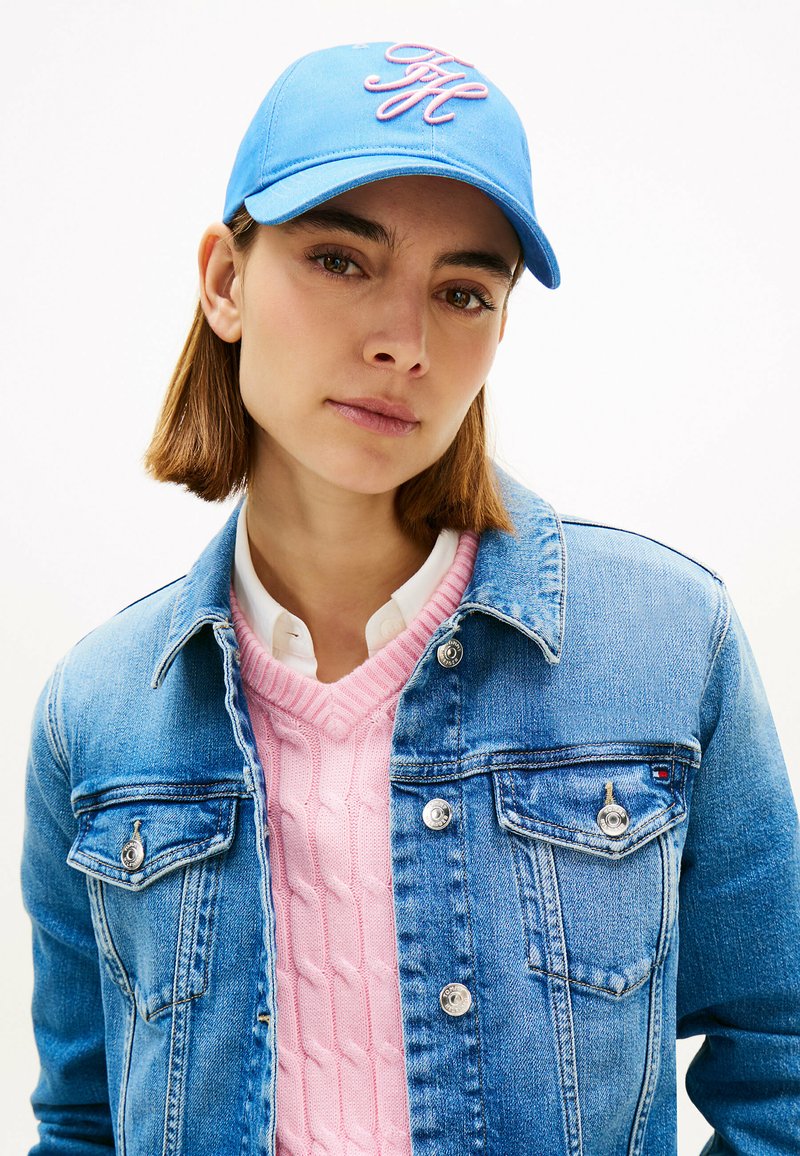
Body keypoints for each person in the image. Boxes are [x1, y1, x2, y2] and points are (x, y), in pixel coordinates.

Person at [21, 39, 799, 1156]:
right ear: (225, 281)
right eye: (341, 260)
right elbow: (85, 1121)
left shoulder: (669, 646)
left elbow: (778, 1061)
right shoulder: (96, 711)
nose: (402, 342)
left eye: (462, 291)